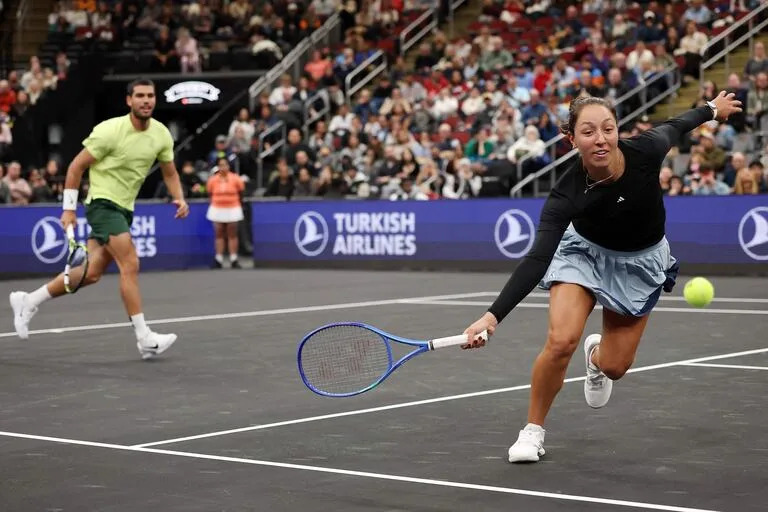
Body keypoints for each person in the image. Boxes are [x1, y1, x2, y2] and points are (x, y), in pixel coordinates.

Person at [461, 91, 743, 463]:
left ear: (617, 130)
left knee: (615, 366)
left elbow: (679, 124)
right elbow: (537, 258)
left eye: (608, 129)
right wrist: (492, 316)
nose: (601, 139)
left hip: (640, 262)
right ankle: (533, 430)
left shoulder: (646, 150)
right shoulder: (566, 193)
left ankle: (595, 359)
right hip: (583, 254)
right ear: (572, 139)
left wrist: (712, 110)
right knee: (561, 341)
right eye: (589, 132)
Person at [9, 78, 189, 360]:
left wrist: (179, 196)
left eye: (150, 96)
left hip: (124, 209)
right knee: (130, 262)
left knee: (91, 274)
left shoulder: (162, 135)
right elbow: (75, 167)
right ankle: (144, 337)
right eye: (140, 96)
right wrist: (68, 210)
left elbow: (169, 172)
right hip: (102, 204)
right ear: (129, 100)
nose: (146, 101)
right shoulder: (109, 131)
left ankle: (28, 300)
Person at [206, 156, 245, 268]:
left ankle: (234, 259)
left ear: (229, 166)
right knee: (219, 234)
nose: (223, 167)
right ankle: (218, 259)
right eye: (221, 165)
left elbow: (241, 193)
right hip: (217, 208)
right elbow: (210, 194)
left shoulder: (236, 178)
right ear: (218, 167)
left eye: (225, 165)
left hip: (233, 207)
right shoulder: (212, 180)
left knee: (232, 234)